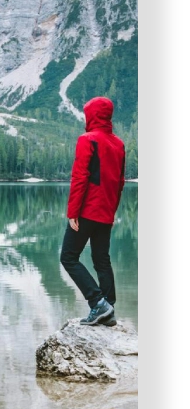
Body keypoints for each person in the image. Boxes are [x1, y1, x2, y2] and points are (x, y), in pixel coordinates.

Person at [60, 96, 126, 326]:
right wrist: (112, 210)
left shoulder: (87, 139)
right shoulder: (118, 144)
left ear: (92, 115)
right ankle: (109, 309)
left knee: (68, 257)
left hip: (87, 209)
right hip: (106, 211)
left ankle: (98, 303)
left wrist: (72, 212)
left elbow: (80, 177)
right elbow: (120, 182)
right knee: (101, 259)